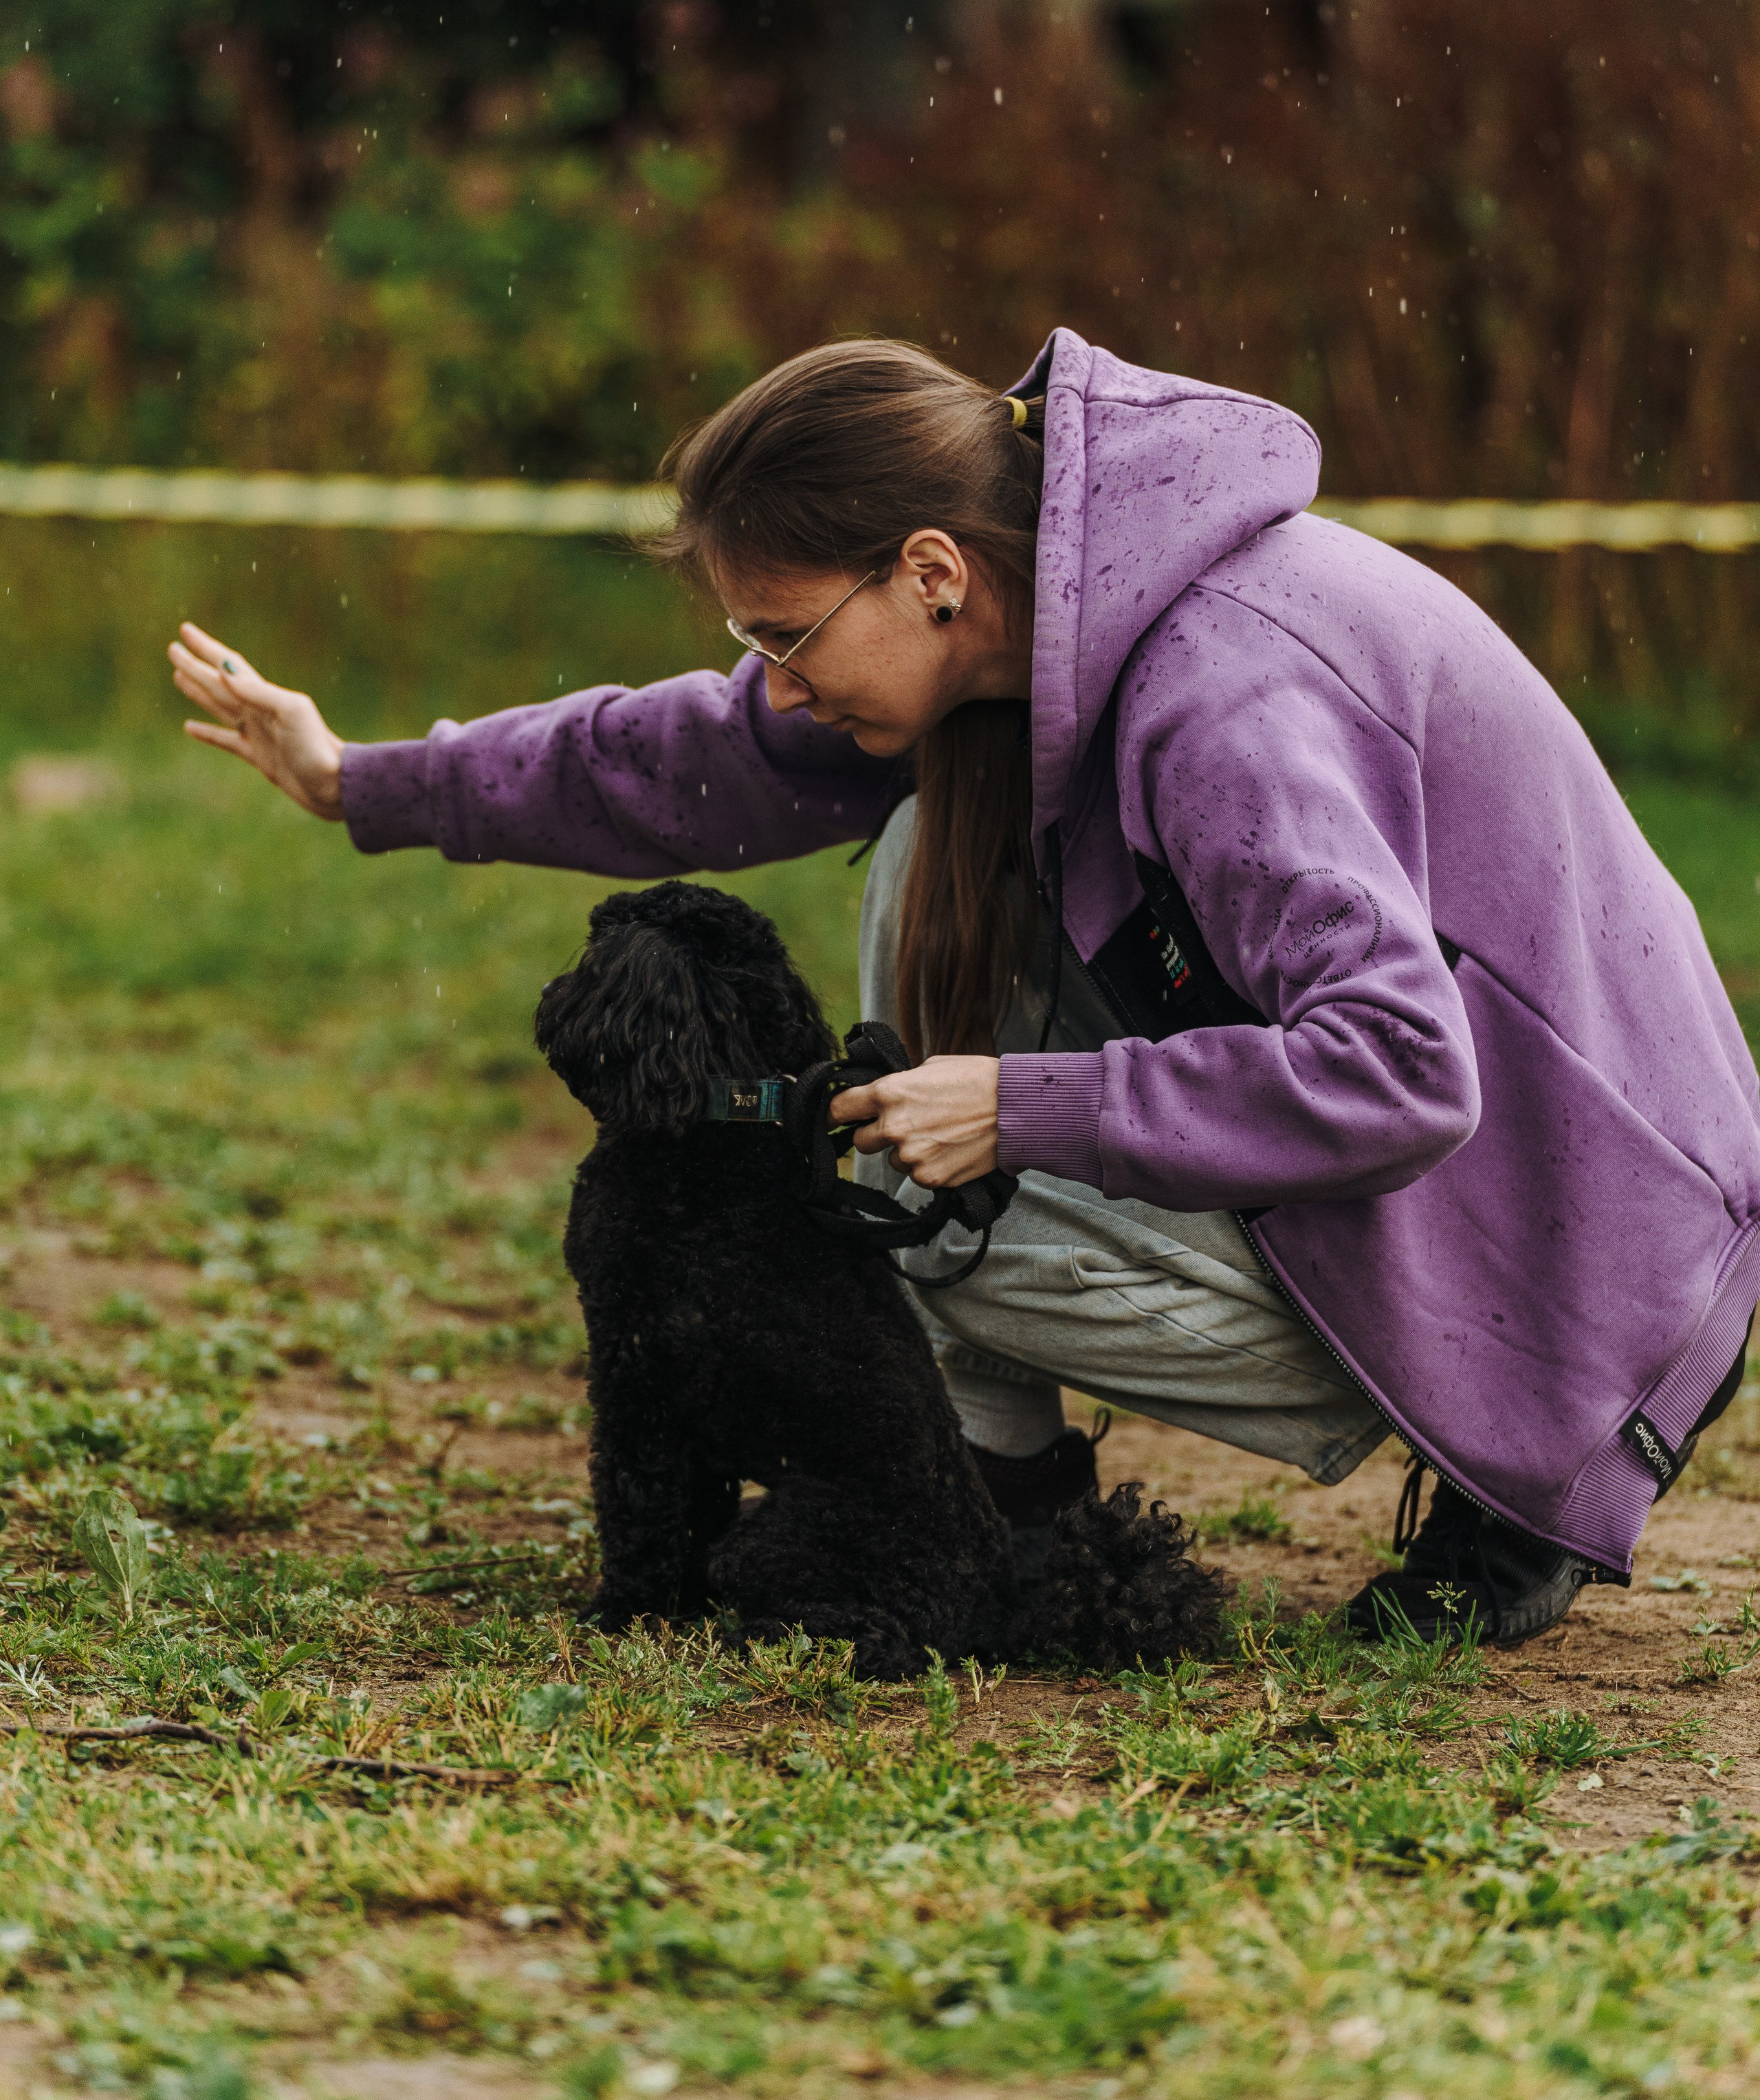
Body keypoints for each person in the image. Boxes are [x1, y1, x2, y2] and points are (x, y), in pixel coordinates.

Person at [168, 329, 1760, 1643]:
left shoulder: (1222, 691)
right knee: (939, 830)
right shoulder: (1054, 619)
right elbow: (697, 753)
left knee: (883, 1224)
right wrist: (367, 780)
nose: (772, 682)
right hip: (1490, 1173)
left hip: (1587, 1252)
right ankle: (1011, 1508)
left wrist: (1016, 1104)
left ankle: (1503, 1460)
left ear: (930, 569)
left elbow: (1399, 1070)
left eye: (786, 635)